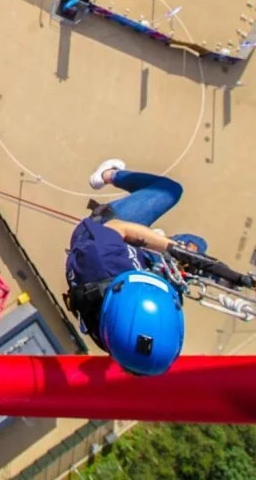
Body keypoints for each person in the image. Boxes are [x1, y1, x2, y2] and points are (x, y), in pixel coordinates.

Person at [63, 159, 207, 376]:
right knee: (197, 245)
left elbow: (118, 228)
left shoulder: (102, 257)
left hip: (108, 235)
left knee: (169, 190)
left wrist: (172, 247)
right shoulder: (120, 339)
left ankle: (108, 174)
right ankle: (160, 248)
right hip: (129, 273)